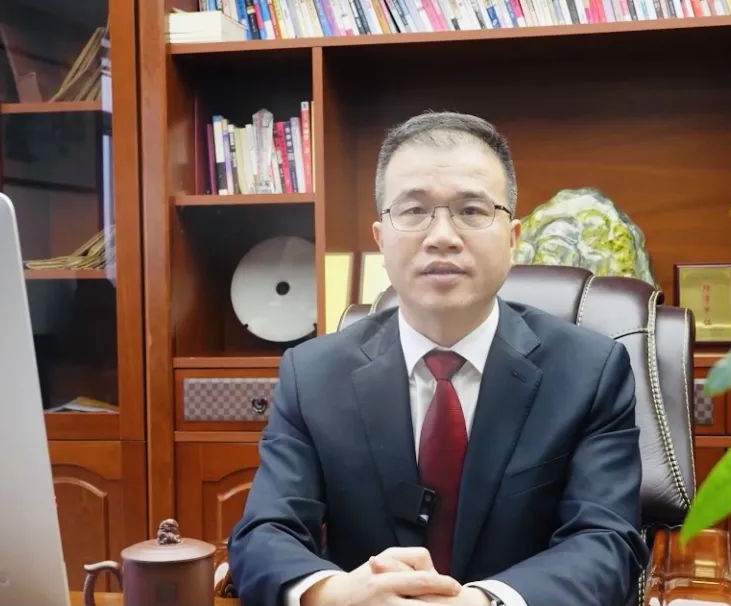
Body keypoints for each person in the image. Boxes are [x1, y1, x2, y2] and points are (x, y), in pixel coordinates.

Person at [227, 111, 648, 606]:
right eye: (414, 210)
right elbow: (264, 533)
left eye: (471, 210)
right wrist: (334, 593)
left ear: (512, 239)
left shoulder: (590, 372)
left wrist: (482, 602)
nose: (442, 235)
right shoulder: (313, 375)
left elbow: (606, 541)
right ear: (381, 239)